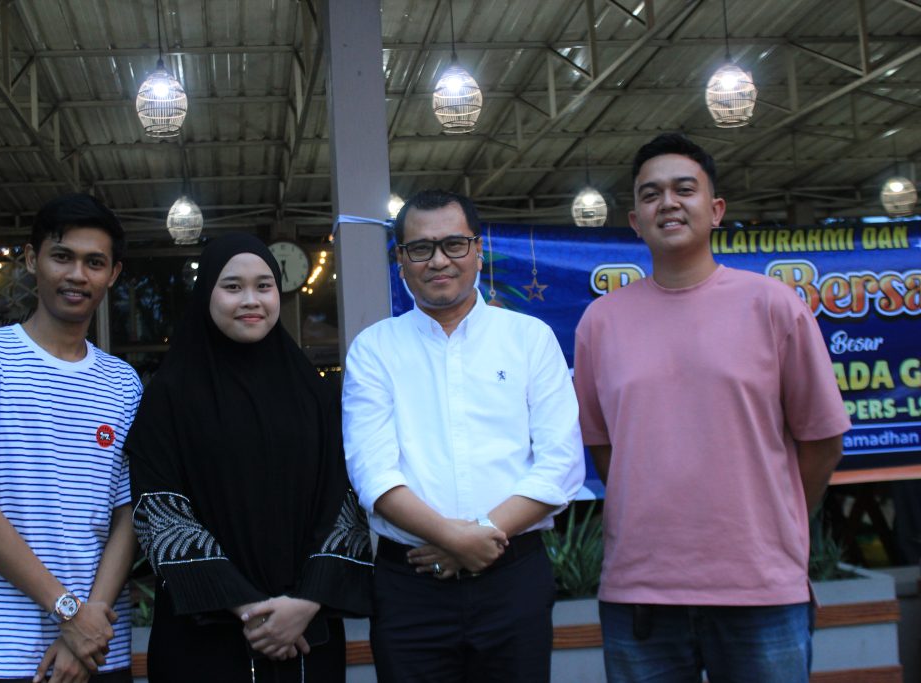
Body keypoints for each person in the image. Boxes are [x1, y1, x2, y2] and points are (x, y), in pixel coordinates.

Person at [573, 133, 850, 683]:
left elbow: (821, 439)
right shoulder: (600, 323)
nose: (668, 203)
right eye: (651, 194)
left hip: (760, 587)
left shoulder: (772, 304)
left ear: (716, 209)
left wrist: (772, 515)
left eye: (684, 189)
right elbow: (603, 448)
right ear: (634, 220)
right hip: (641, 591)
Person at [342, 189, 585, 682]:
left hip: (513, 579)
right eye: (420, 248)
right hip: (411, 586)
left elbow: (560, 466)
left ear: (478, 250)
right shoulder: (374, 350)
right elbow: (372, 473)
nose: (438, 260)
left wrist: (476, 537)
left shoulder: (530, 338)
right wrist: (455, 539)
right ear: (401, 260)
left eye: (454, 244)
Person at [0, 193, 140, 683]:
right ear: (32, 259)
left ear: (113, 274)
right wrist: (68, 612)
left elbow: (128, 514)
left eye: (94, 262)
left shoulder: (124, 384)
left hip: (99, 651)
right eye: (62, 256)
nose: (77, 275)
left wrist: (87, 623)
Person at [127, 234, 371, 683]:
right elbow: (159, 509)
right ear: (207, 294)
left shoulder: (314, 393)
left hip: (306, 631)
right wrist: (248, 607)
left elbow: (347, 496)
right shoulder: (169, 395)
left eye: (264, 286)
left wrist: (307, 602)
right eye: (232, 286)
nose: (251, 300)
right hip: (203, 634)